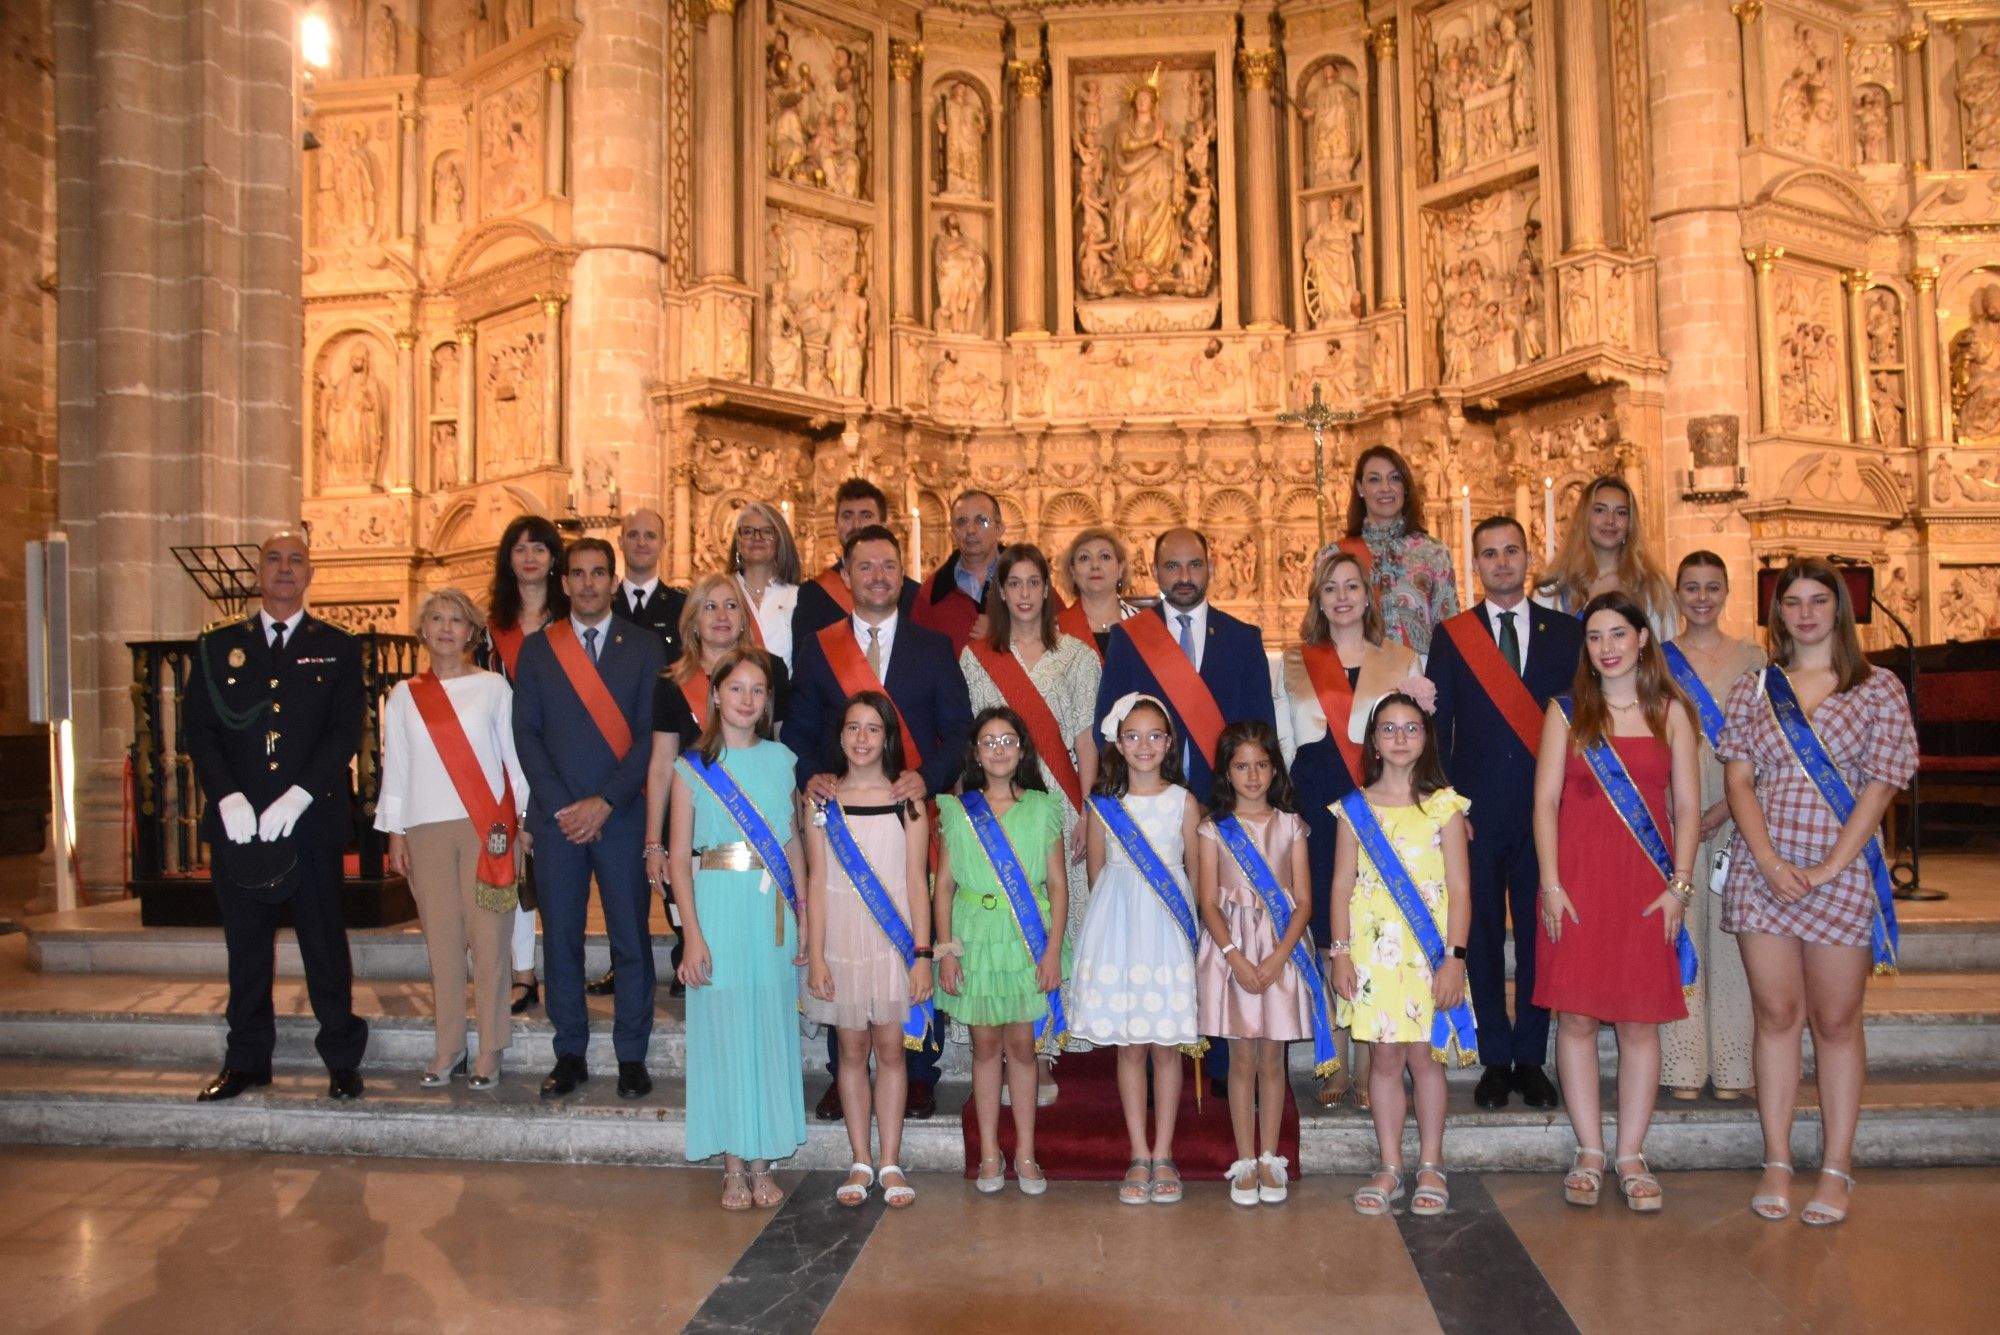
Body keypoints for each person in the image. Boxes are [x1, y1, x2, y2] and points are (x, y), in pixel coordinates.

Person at [1720, 558, 1917, 1227]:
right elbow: (1739, 780)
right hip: (1764, 870)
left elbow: (1883, 783)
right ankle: (1777, 1158)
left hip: (1841, 868)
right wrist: (1770, 859)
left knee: (1835, 1021)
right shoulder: (1754, 689)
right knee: (1776, 1014)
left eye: (1818, 600)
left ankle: (1836, 1166)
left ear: (1840, 609)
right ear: (1778, 614)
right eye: (1793, 602)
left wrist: (1836, 862)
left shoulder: (1877, 687)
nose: (1805, 612)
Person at [786, 523, 974, 1121]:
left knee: (909, 926)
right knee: (847, 931)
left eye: (888, 566)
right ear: (845, 576)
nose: (877, 577)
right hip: (844, 814)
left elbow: (959, 732)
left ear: (904, 574)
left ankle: (919, 1069)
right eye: (864, 567)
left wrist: (930, 774)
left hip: (909, 817)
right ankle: (842, 1072)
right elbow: (800, 728)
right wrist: (814, 774)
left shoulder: (932, 647)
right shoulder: (819, 646)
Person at [185, 531, 369, 1102]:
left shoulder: (337, 647)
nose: (285, 569)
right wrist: (226, 796)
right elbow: (201, 729)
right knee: (246, 947)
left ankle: (340, 1056)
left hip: (308, 823)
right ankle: (246, 1061)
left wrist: (301, 794)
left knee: (323, 945)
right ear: (258, 572)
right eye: (274, 559)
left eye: (296, 560)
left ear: (310, 573)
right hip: (241, 824)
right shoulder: (218, 647)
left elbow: (344, 732)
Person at [1532, 592, 1701, 1213]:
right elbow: (1544, 802)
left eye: (1617, 635)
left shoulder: (1671, 712)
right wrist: (1550, 882)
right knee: (1574, 1018)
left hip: (1645, 890)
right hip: (1575, 886)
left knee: (1637, 1021)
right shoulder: (1567, 712)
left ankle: (1630, 1153)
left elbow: (1685, 808)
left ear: (1642, 640)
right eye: (1595, 637)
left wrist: (1679, 886)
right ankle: (1589, 1151)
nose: (1606, 648)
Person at [1425, 516, 1583, 1111]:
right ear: (1476, 564)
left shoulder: (1567, 634)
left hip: (1549, 816)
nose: (1501, 562)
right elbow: (1437, 731)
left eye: (1511, 550)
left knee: (1545, 938)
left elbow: (1582, 724)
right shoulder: (1454, 635)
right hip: (1476, 817)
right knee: (1484, 938)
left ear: (1529, 555)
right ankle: (1496, 1056)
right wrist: (1449, 806)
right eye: (1488, 554)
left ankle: (1532, 1057)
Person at [1272, 546, 1433, 1107]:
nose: (1341, 597)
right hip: (1315, 806)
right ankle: (1332, 1060)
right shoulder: (1292, 662)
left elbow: (1416, 740)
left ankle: (1372, 1063)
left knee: (1375, 931)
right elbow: (1284, 745)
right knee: (1328, 936)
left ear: (1369, 596)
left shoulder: (1402, 660)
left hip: (1382, 806)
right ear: (1318, 599)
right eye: (1330, 588)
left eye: (1351, 586)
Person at [511, 538, 665, 1101]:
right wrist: (562, 805)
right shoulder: (537, 650)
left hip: (621, 818)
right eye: (577, 574)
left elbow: (652, 735)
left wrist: (605, 802)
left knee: (630, 939)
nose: (588, 584)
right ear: (564, 581)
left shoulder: (645, 647)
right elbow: (525, 733)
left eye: (599, 573)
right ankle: (569, 1050)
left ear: (612, 578)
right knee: (563, 941)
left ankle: (631, 1055)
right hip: (557, 821)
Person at [959, 542, 1101, 1105]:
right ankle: (1007, 1044)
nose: (1023, 594)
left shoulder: (1078, 656)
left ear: (1048, 589)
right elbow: (975, 738)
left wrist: (1088, 811)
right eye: (1012, 584)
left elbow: (1087, 740)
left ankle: (1045, 1049)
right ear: (999, 592)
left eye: (1032, 583)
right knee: (1009, 926)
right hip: (999, 806)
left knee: (1052, 924)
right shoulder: (977, 658)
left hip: (1060, 803)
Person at [667, 649, 807, 1210]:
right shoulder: (690, 767)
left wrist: (806, 921)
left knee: (769, 1027)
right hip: (718, 904)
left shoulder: (781, 760)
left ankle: (763, 1159)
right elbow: (679, 859)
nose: (747, 699)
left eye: (757, 690)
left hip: (772, 908)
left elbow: (793, 845)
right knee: (724, 1031)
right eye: (736, 689)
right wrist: (692, 936)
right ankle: (732, 1167)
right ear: (716, 696)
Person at [378, 589, 529, 1090]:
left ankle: (489, 1049)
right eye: (437, 619)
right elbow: (395, 768)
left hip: (486, 829)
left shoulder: (493, 689)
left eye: (457, 620)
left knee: (489, 942)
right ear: (423, 629)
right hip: (424, 830)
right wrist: (395, 830)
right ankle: (448, 1047)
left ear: (472, 631)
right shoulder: (403, 695)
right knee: (441, 945)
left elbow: (514, 761)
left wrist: (521, 821)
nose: (446, 627)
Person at [1330, 693, 1473, 1217]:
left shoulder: (1446, 806)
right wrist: (1340, 954)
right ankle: (1390, 1164)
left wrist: (1455, 957)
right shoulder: (1353, 808)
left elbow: (1460, 887)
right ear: (1373, 740)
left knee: (1426, 1059)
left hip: (1429, 955)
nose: (1399, 738)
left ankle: (1431, 1163)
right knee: (1385, 1058)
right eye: (1388, 729)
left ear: (1426, 737)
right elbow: (1342, 884)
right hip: (1373, 956)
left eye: (1410, 728)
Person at [1069, 693, 1201, 1205]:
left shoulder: (1184, 802)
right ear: (1117, 744)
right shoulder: (1104, 806)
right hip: (1119, 928)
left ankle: (1164, 1152)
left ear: (1169, 743)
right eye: (1133, 736)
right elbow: (1097, 872)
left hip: (1166, 931)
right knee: (1130, 1046)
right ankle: (1138, 1152)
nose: (1144, 746)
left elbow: (1193, 871)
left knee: (1166, 1045)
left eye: (1154, 736)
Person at [802, 693, 933, 1210]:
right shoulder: (819, 802)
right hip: (841, 941)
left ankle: (891, 1160)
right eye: (853, 728)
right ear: (839, 736)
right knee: (851, 1052)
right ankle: (859, 1158)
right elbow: (814, 881)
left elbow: (917, 883)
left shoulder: (910, 799)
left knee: (892, 1052)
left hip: (891, 942)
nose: (861, 739)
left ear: (888, 737)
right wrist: (815, 956)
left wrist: (922, 953)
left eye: (873, 729)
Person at [934, 707, 1070, 1196]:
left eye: (1007, 740)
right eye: (988, 741)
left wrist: (1052, 951)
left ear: (1023, 749)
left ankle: (1026, 1153)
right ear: (974, 751)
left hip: (1024, 942)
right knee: (985, 1048)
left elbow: (1057, 883)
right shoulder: (956, 809)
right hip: (973, 940)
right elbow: (944, 885)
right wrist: (946, 951)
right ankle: (991, 1153)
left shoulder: (1043, 806)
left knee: (1023, 1050)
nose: (998, 749)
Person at [643, 573, 793, 995]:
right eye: (710, 606)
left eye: (731, 606)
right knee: (696, 946)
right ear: (692, 620)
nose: (722, 616)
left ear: (744, 620)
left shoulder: (771, 670)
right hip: (695, 828)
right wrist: (654, 841)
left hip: (757, 827)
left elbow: (779, 750)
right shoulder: (671, 682)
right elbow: (660, 765)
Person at [1196, 721, 1321, 1208]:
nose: (1252, 777)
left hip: (1279, 947)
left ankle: (1271, 1156)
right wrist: (1234, 956)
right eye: (1242, 766)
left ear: (1275, 770)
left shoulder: (1291, 825)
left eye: (1262, 766)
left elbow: (1305, 901)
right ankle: (1244, 1159)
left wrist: (1278, 956)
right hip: (1231, 951)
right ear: (1227, 771)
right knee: (1240, 1059)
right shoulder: (1213, 829)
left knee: (1274, 1058)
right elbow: (1208, 901)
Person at [1660, 551, 1765, 1102]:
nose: (1702, 597)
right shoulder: (1658, 659)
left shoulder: (1752, 657)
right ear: (1677, 595)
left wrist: (1722, 809)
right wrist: (1680, 813)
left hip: (1735, 812)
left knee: (1729, 937)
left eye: (1712, 587)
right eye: (1692, 587)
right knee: (1682, 936)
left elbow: (1765, 742)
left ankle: (1731, 1067)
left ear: (1727, 593)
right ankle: (1682, 1062)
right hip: (1674, 813)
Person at [1095, 527, 1276, 798]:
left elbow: (1262, 731)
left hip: (1227, 801)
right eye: (1172, 566)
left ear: (1210, 568)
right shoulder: (1128, 638)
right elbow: (1107, 728)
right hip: (1150, 803)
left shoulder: (1243, 639)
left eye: (1194, 565)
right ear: (1154, 571)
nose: (1184, 577)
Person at [485, 514, 567, 1016]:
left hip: (561, 756)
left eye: (540, 547)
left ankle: (561, 966)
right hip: (503, 757)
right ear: (508, 559)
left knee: (557, 871)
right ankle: (521, 972)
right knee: (513, 864)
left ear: (555, 558)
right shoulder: (491, 628)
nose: (531, 556)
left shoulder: (571, 619)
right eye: (520, 548)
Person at [1338, 445, 1460, 658]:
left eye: (1395, 478)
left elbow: (1449, 629)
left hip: (1421, 680)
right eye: (1374, 479)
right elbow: (1322, 628)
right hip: (1356, 679)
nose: (1385, 488)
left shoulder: (1433, 552)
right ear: (1360, 488)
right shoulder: (1335, 556)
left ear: (1405, 486)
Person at [1537, 474, 1676, 642]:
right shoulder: (1554, 590)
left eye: (1621, 512)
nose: (1610, 520)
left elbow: (1665, 654)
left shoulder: (1654, 588)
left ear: (1630, 523)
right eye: (1600, 510)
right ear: (1584, 518)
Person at [791, 478, 919, 640]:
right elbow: (806, 660)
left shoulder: (913, 594)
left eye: (866, 516)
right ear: (836, 524)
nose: (856, 524)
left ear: (883, 524)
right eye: (847, 516)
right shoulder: (812, 594)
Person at [912, 488, 1005, 654]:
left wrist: (1005, 635)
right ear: (952, 533)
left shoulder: (1031, 582)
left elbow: (1059, 648)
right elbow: (916, 658)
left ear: (999, 529)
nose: (970, 530)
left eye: (981, 521)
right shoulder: (932, 594)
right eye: (962, 522)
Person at [730, 500, 802, 671]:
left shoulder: (798, 597)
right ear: (738, 542)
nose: (757, 538)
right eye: (748, 532)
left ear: (780, 541)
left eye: (767, 532)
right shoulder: (721, 592)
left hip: (785, 694)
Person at [614, 507, 689, 665]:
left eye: (650, 536)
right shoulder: (604, 604)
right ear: (620, 542)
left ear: (663, 544)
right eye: (633, 535)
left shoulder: (683, 607)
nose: (641, 543)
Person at [1058, 526, 1140, 658]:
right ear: (1072, 571)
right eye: (1084, 558)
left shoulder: (1144, 624)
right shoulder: (1055, 630)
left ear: (1120, 568)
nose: (1095, 565)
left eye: (1105, 556)